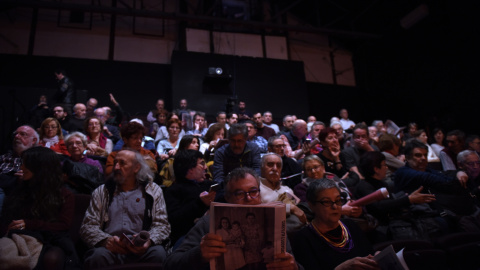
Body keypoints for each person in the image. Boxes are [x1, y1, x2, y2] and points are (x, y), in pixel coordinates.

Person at [163, 167, 301, 270]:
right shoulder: (209, 221)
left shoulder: (273, 219)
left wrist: (293, 267)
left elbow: (291, 261)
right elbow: (170, 263)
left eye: (253, 192)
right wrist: (199, 254)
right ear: (228, 198)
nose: (248, 198)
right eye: (239, 194)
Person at [80, 149, 170, 268]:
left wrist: (148, 241)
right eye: (115, 163)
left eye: (122, 163)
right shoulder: (102, 191)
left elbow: (162, 225)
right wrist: (106, 241)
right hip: (110, 249)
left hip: (141, 249)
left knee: (158, 254)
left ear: (136, 168)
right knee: (98, 256)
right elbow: (88, 226)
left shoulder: (153, 190)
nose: (116, 167)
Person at [1, 147, 76, 270]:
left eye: (25, 164)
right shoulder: (19, 191)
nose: (21, 168)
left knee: (51, 257)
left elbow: (63, 226)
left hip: (49, 239)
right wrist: (10, 227)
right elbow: (6, 220)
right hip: (17, 237)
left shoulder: (64, 195)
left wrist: (29, 224)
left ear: (39, 167)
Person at [291, 179, 380, 270]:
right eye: (326, 202)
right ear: (311, 205)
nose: (335, 206)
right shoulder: (303, 238)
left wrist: (376, 258)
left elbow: (369, 253)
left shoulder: (350, 225)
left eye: (338, 200)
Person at [357, 151, 436, 240]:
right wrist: (408, 199)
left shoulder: (382, 183)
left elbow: (390, 203)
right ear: (376, 169)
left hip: (393, 223)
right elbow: (378, 207)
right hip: (380, 229)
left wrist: (408, 199)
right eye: (384, 165)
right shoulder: (363, 186)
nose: (386, 168)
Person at [164, 150, 216, 246]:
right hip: (188, 237)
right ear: (190, 169)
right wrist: (200, 203)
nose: (205, 167)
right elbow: (174, 221)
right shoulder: (174, 191)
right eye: (202, 164)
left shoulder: (210, 186)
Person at [0, 125, 39, 215]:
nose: (17, 136)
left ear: (33, 141)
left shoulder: (37, 158)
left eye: (23, 134)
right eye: (16, 134)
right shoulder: (4, 157)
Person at [259, 153, 306, 224]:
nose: (275, 169)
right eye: (270, 164)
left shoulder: (287, 189)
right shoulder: (255, 189)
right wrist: (289, 208)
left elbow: (299, 211)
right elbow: (255, 212)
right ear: (261, 167)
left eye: (278, 166)